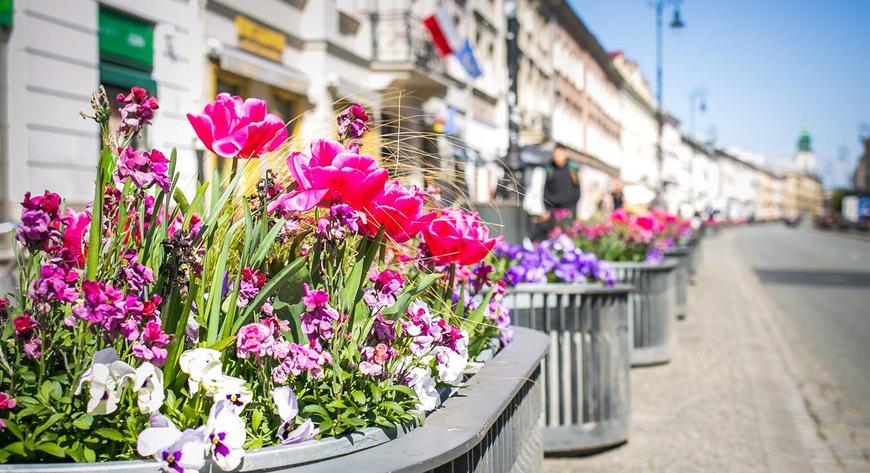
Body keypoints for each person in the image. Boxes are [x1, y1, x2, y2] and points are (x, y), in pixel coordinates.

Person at [523, 144, 581, 240]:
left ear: (565, 154)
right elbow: (545, 190)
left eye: (559, 153)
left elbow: (577, 191)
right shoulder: (549, 169)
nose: (557, 156)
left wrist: (571, 208)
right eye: (555, 153)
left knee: (568, 236)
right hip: (553, 211)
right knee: (552, 236)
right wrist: (547, 208)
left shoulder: (572, 169)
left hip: (568, 210)